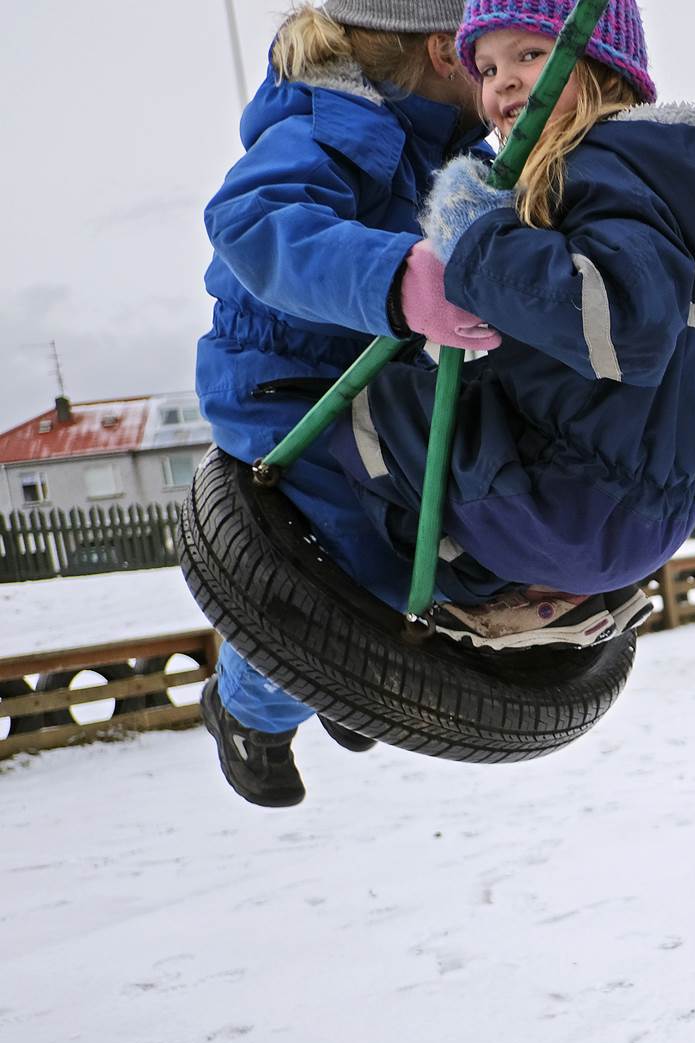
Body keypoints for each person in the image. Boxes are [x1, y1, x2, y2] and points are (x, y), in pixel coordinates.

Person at [334, 1, 695, 635]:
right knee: (475, 388)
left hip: (562, 509)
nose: (504, 82)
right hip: (666, 517)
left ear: (607, 67)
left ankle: (418, 608)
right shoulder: (692, 195)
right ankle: (559, 589)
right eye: (487, 69)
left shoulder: (593, 169)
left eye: (530, 55)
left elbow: (618, 324)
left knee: (358, 408)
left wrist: (475, 237)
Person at [195, 0, 498, 807]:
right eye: (492, 56)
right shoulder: (334, 123)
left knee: (431, 550)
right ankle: (247, 708)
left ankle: (345, 677)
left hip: (386, 377)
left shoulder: (451, 140)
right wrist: (395, 277)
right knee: (341, 591)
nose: (507, 78)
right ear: (444, 52)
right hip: (288, 387)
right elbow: (253, 221)